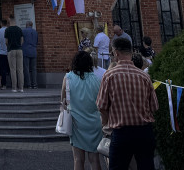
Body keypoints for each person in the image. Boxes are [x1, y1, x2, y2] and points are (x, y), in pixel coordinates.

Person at [96, 36, 158, 170]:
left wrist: (107, 123)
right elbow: (154, 106)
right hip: (144, 131)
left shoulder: (109, 75)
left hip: (121, 132)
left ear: (116, 53)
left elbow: (101, 106)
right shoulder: (144, 76)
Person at [62, 50, 102, 170]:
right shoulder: (97, 79)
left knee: (78, 159)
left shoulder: (68, 78)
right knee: (94, 159)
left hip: (76, 122)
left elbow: (63, 101)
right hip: (94, 123)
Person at [4, 16, 24, 93]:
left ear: (9, 21)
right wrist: (19, 45)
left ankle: (14, 87)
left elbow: (6, 41)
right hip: (19, 49)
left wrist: (9, 46)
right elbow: (22, 40)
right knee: (20, 69)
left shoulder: (7, 30)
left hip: (11, 50)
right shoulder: (19, 29)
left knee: (13, 70)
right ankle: (21, 87)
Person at [22, 21, 38, 89]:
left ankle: (28, 84)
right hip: (34, 51)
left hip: (25, 51)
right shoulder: (35, 32)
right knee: (34, 68)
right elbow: (37, 41)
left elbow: (22, 41)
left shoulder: (23, 31)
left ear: (26, 25)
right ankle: (34, 84)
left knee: (26, 68)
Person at [0, 19, 10, 90]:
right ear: (7, 23)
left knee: (3, 69)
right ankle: (14, 83)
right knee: (11, 68)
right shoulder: (9, 30)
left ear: (1, 23)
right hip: (9, 51)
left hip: (1, 52)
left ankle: (4, 84)